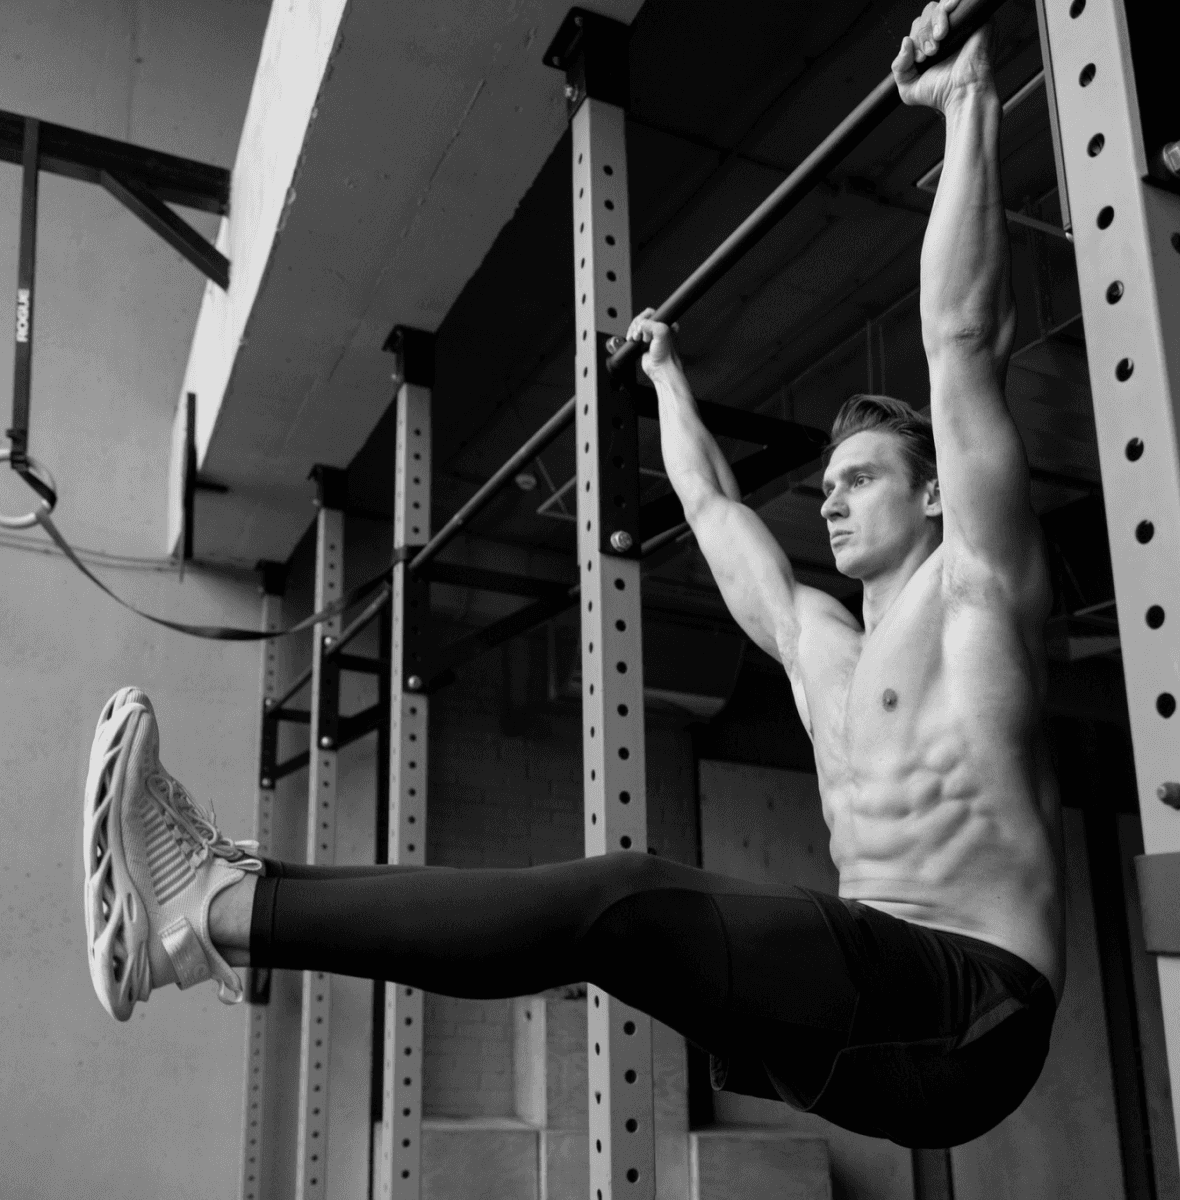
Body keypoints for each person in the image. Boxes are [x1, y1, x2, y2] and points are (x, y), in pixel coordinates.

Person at [81, 1, 1062, 1149]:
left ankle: (217, 907)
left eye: (863, 477)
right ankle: (212, 914)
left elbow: (961, 343)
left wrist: (965, 106)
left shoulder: (974, 592)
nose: (831, 496)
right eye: (828, 481)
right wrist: (667, 383)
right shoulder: (815, 645)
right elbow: (708, 504)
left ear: (935, 493)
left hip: (971, 1010)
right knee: (611, 917)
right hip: (875, 1026)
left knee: (621, 898)